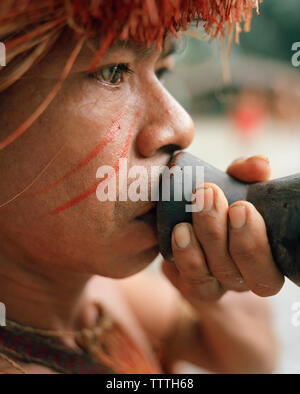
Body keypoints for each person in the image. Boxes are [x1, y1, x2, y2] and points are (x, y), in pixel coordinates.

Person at [0, 0, 283, 374]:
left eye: (161, 71)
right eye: (113, 71)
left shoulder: (108, 300)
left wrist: (217, 283)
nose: (181, 125)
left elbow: (250, 357)